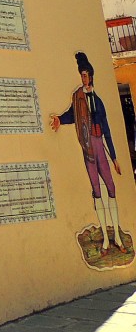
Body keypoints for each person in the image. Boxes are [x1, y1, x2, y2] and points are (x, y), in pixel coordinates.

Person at [51, 51, 126, 253]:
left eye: (85, 75)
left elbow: (108, 128)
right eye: (81, 75)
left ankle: (117, 237)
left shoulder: (99, 101)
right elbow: (71, 115)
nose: (83, 78)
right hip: (88, 148)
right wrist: (59, 118)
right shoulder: (78, 98)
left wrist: (115, 157)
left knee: (111, 187)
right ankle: (104, 237)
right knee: (96, 190)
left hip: (100, 145)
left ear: (91, 76)